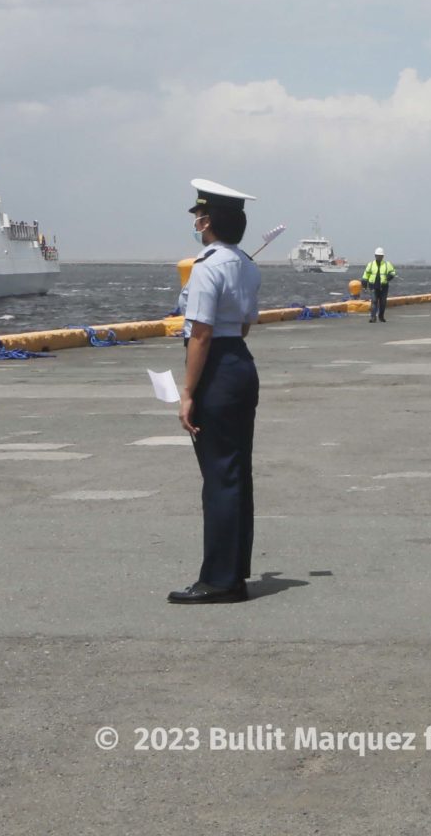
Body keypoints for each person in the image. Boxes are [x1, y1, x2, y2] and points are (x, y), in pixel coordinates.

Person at [169, 178, 264, 606]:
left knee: (219, 479)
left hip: (217, 369)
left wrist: (188, 392)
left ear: (208, 220)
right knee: (236, 474)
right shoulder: (247, 264)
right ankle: (233, 571)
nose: (196, 222)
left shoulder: (207, 266)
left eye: (198, 215)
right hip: (241, 364)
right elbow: (243, 324)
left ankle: (219, 580)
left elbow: (202, 334)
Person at [362, 246, 396, 323]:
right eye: (377, 255)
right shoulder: (370, 264)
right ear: (375, 256)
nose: (379, 257)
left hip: (383, 286)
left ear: (383, 256)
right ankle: (373, 317)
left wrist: (389, 276)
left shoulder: (387, 264)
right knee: (374, 301)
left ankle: (381, 316)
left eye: (380, 256)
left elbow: (393, 272)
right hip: (373, 285)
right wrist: (364, 282)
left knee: (383, 302)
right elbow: (365, 274)